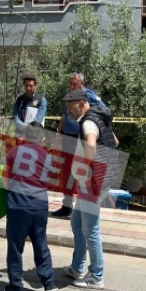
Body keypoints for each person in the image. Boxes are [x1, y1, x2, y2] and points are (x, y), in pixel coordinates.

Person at [62, 89, 119, 290]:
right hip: (103, 177)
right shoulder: (98, 118)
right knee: (77, 222)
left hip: (94, 181)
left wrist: (86, 165)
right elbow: (115, 141)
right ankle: (77, 267)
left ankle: (96, 275)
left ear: (81, 103)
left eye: (70, 108)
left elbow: (91, 144)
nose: (69, 112)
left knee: (90, 229)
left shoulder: (87, 122)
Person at [0, 121, 58, 291]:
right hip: (39, 206)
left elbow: (4, 181)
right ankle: (49, 284)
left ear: (24, 136)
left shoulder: (14, 152)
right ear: (42, 138)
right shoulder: (47, 157)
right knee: (41, 244)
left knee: (16, 247)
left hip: (19, 205)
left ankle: (15, 287)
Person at [52, 72, 106, 218]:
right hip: (68, 138)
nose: (71, 86)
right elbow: (63, 117)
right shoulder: (69, 97)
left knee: (83, 172)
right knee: (67, 172)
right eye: (70, 83)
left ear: (82, 84)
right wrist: (58, 136)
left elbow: (104, 112)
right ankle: (67, 205)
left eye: (74, 84)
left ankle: (86, 207)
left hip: (83, 139)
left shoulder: (91, 96)